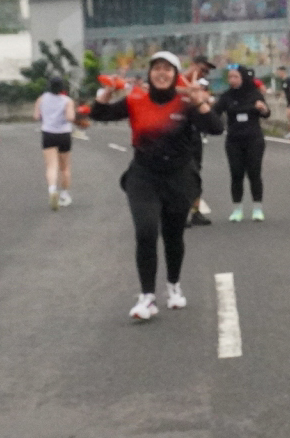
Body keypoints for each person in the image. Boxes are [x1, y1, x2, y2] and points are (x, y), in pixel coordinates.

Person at [88, 51, 223, 322]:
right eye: (157, 68)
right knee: (146, 231)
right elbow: (99, 114)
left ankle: (173, 285)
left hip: (179, 177)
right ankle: (147, 297)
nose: (162, 73)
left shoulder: (186, 102)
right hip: (144, 176)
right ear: (150, 73)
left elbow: (216, 128)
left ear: (175, 74)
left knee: (173, 235)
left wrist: (199, 102)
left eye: (167, 69)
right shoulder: (136, 99)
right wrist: (106, 92)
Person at [218, 64, 270, 222]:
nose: (232, 80)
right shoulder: (226, 96)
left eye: (235, 77)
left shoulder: (254, 94)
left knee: (254, 173)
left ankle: (257, 208)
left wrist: (262, 108)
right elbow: (214, 112)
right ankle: (237, 209)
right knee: (236, 174)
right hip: (234, 140)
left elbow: (266, 113)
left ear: (243, 78)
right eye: (230, 77)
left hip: (254, 139)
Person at [34, 76, 76, 209]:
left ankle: (52, 190)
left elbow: (36, 116)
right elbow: (70, 117)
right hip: (64, 134)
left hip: (48, 133)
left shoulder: (41, 99)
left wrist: (47, 116)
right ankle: (64, 195)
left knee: (51, 166)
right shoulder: (67, 100)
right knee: (65, 168)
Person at [186, 56, 217, 226]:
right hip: (176, 136)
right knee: (179, 175)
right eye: (202, 70)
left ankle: (195, 212)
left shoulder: (200, 86)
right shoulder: (177, 82)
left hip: (194, 134)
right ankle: (177, 213)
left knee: (195, 174)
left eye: (206, 72)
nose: (203, 74)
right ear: (192, 65)